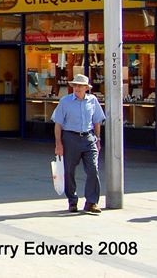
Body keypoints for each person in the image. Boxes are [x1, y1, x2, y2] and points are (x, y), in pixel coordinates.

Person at [51, 73, 105, 214]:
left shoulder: (92, 101)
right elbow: (58, 124)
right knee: (69, 171)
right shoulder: (65, 101)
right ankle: (72, 201)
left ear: (86, 88)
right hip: (70, 138)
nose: (77, 88)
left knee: (93, 169)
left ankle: (91, 202)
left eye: (80, 86)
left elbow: (97, 121)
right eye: (75, 85)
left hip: (88, 138)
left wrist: (98, 139)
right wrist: (58, 144)